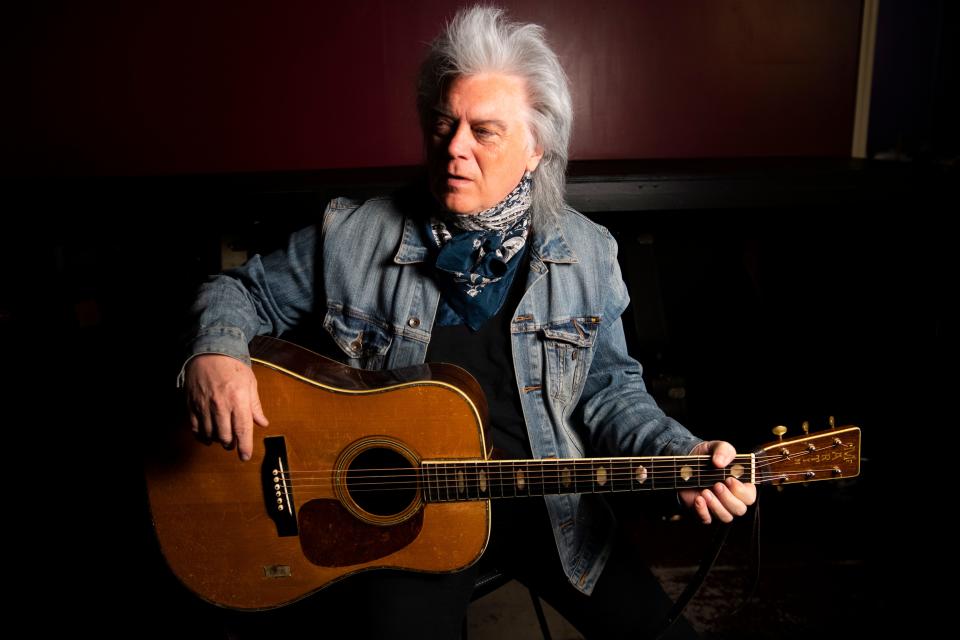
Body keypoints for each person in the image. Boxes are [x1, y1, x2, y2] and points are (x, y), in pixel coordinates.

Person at [181, 6, 756, 638]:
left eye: (484, 131)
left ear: (536, 148)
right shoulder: (352, 233)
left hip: (551, 511)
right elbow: (237, 291)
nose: (454, 147)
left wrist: (682, 453)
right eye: (442, 124)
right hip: (405, 516)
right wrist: (217, 354)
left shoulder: (589, 253)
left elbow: (610, 391)